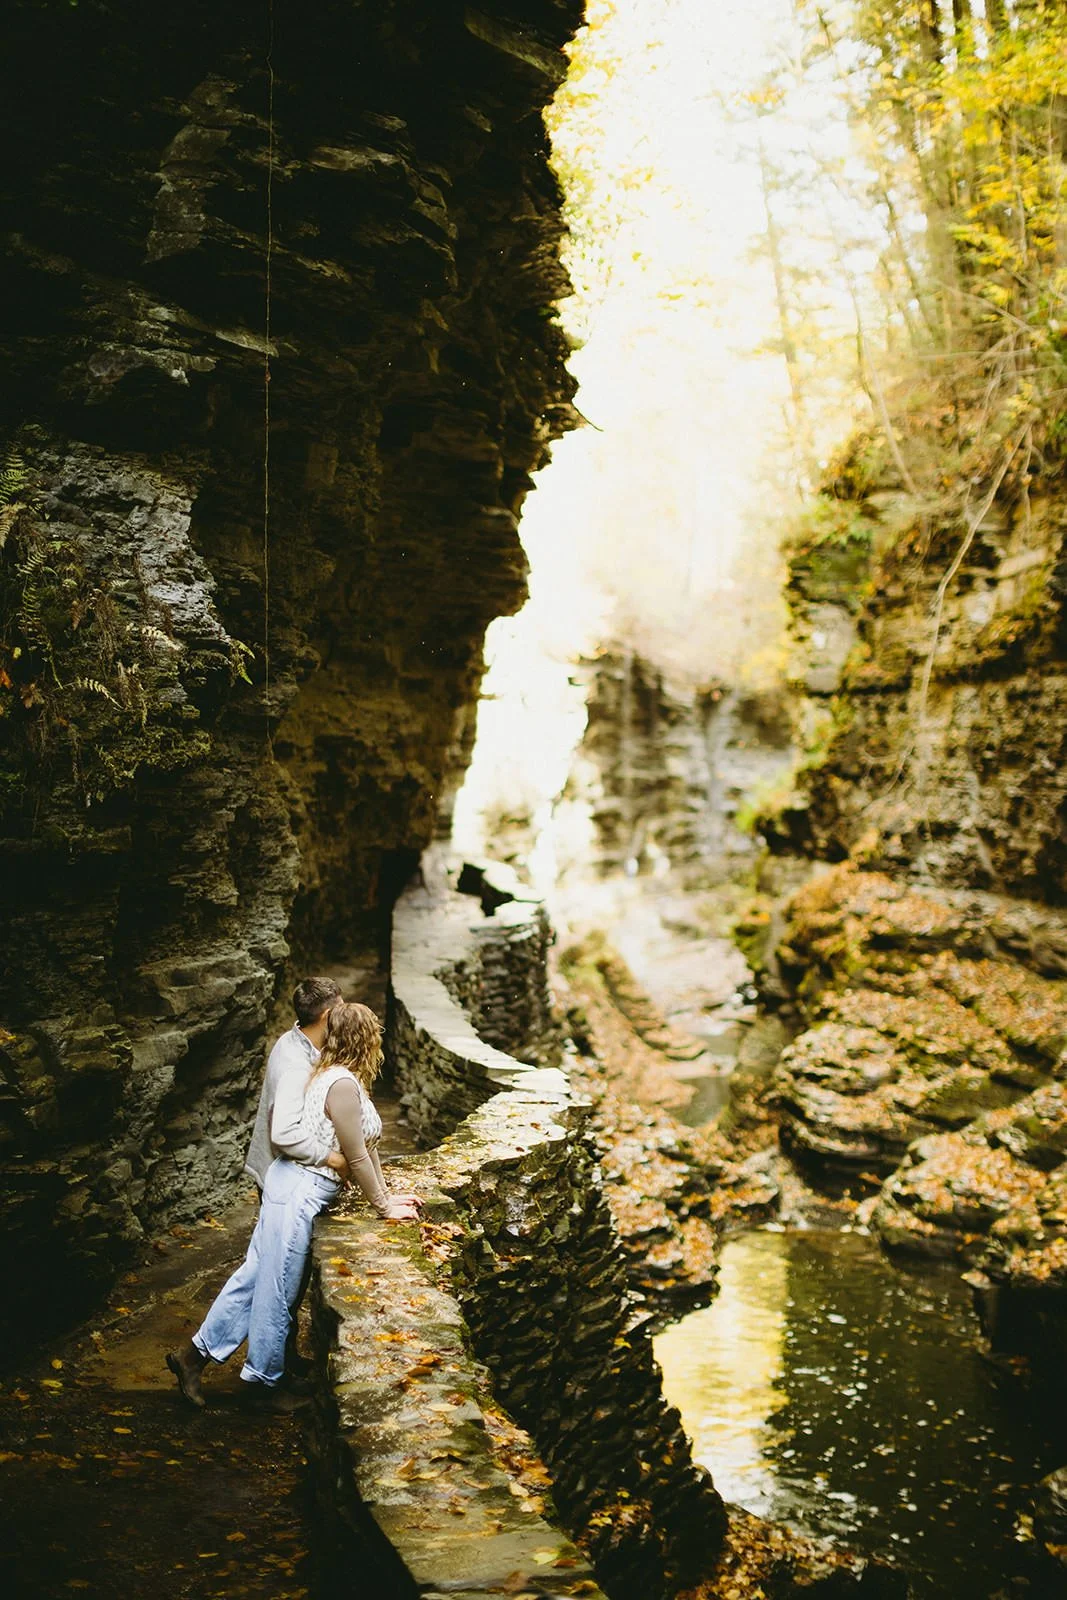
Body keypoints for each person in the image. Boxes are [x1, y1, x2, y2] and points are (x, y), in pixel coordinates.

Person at [166, 999, 419, 1413]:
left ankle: (192, 1357)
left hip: (296, 1186)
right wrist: (383, 1207)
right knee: (277, 1289)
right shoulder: (339, 1084)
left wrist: (387, 1196)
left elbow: (366, 1145)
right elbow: (354, 1156)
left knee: (255, 1279)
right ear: (364, 1039)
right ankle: (264, 1384)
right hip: (299, 1188)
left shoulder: (341, 1077)